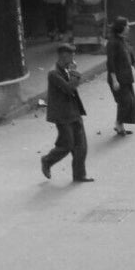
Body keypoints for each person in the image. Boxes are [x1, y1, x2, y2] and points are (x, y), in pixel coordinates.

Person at [39, 44, 92, 183]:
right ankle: (47, 161)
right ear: (64, 56)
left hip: (74, 112)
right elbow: (69, 88)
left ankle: (79, 175)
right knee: (67, 145)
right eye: (71, 55)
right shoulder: (54, 73)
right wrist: (75, 74)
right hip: (62, 115)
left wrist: (72, 73)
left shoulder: (66, 69)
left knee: (81, 146)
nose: (74, 59)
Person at [105, 16, 135, 137]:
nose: (128, 27)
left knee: (128, 103)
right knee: (126, 101)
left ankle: (120, 126)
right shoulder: (112, 43)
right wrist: (114, 80)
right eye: (127, 25)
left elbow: (131, 58)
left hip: (126, 77)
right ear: (121, 27)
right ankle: (118, 123)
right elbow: (110, 62)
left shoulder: (123, 41)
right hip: (117, 79)